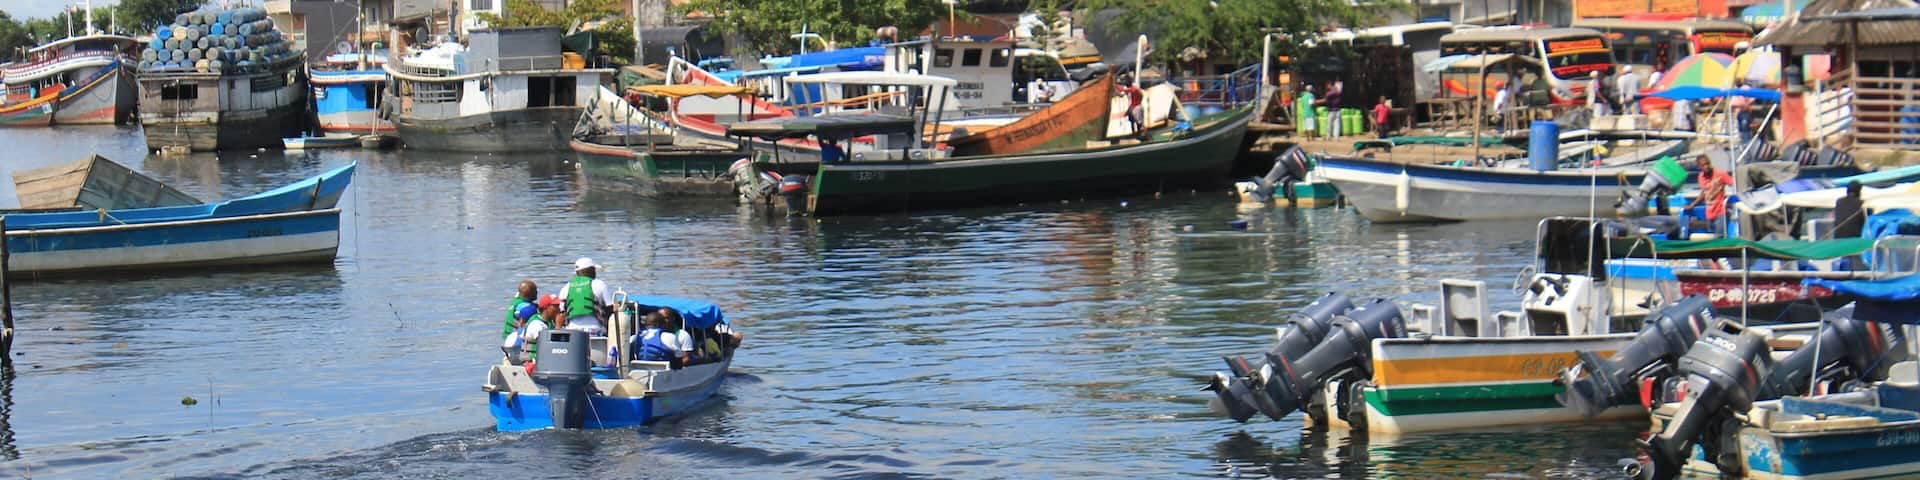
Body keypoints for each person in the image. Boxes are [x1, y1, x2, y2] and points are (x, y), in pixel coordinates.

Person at [1684, 156, 1735, 236]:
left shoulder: (1720, 174)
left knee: (1718, 239)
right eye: (1703, 165)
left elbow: (1734, 184)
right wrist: (1692, 205)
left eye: (1708, 164)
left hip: (1720, 213)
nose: (1706, 166)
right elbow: (1704, 193)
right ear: (1699, 167)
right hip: (1709, 214)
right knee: (1711, 239)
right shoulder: (1701, 177)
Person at [562, 257, 611, 335]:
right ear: (591, 270)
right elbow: (609, 308)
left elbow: (561, 311)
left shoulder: (566, 287)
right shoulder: (599, 284)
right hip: (595, 330)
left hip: (573, 331)